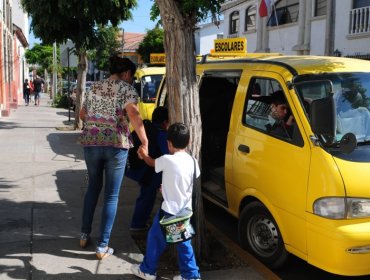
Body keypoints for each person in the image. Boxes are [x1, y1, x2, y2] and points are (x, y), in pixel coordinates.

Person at [77, 55, 149, 260]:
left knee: (92, 188)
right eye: (132, 77)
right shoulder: (127, 89)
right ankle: (102, 246)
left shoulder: (94, 88)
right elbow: (134, 116)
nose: (131, 80)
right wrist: (144, 142)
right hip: (116, 145)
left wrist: (97, 122)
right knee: (111, 196)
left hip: (91, 143)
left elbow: (82, 114)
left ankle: (84, 235)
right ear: (126, 73)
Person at [131, 123, 201, 280]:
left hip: (170, 212)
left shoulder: (167, 160)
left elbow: (151, 162)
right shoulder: (193, 161)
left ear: (169, 143)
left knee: (157, 239)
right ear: (188, 142)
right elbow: (183, 180)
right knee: (183, 243)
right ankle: (190, 275)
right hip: (185, 210)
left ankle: (148, 270)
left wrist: (143, 153)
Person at [129, 106, 169, 231]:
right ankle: (137, 225)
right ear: (165, 122)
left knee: (145, 196)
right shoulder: (161, 134)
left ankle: (140, 221)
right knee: (147, 198)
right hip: (151, 172)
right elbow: (167, 154)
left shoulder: (147, 129)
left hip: (141, 169)